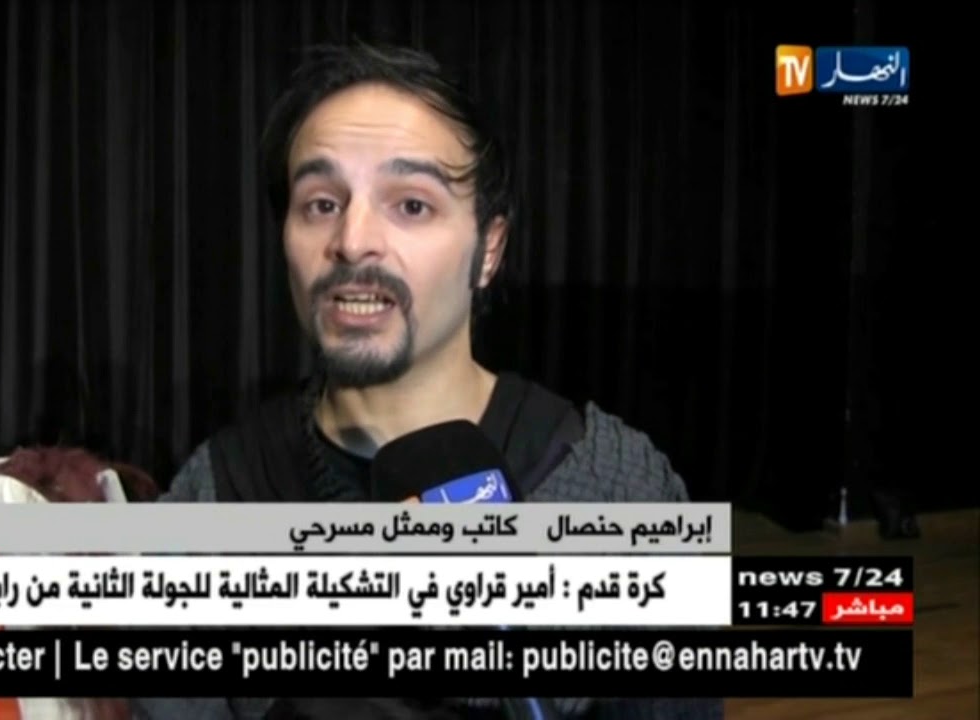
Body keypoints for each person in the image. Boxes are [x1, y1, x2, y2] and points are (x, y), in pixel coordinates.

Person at [132, 42, 722, 720]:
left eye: (411, 205)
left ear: (489, 249)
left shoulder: (616, 489)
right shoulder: (218, 494)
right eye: (320, 203)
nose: (353, 241)